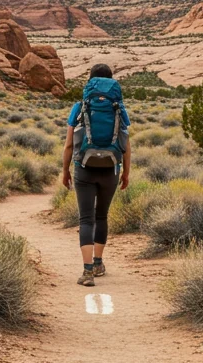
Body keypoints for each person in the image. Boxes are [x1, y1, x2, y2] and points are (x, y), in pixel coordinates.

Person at [61, 63, 131, 287]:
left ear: (90, 81)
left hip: (84, 168)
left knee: (86, 219)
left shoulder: (80, 106)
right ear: (111, 81)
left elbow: (69, 145)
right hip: (110, 168)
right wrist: (126, 172)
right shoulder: (118, 107)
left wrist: (65, 171)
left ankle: (87, 271)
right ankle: (99, 262)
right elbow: (126, 144)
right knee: (101, 216)